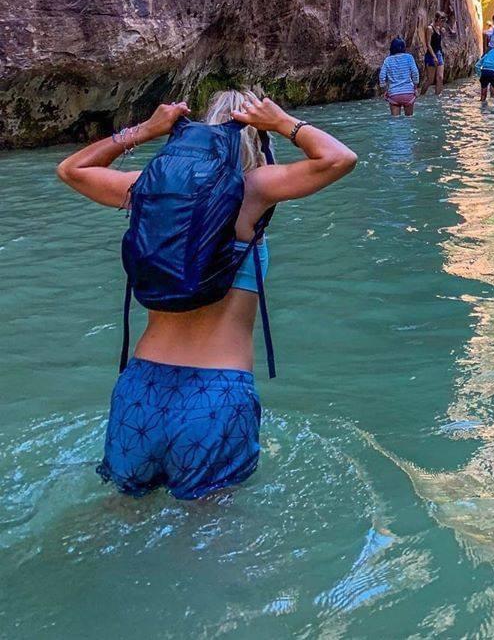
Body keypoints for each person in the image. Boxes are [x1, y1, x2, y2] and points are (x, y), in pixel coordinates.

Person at [56, 92, 356, 500]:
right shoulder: (255, 189)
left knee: (117, 518)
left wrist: (144, 131)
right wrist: (284, 122)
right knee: (209, 547)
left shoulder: (147, 187)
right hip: (214, 398)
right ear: (255, 136)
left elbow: (72, 169)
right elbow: (340, 159)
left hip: (140, 390)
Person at [379, 36, 420, 116]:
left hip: (394, 94)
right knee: (409, 120)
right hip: (408, 93)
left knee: (395, 123)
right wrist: (415, 88)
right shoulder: (409, 58)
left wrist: (386, 91)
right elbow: (415, 73)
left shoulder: (388, 60)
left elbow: (382, 77)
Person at [420, 14, 446, 96]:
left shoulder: (439, 29)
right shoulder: (430, 29)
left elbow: (439, 42)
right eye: (442, 21)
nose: (443, 23)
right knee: (430, 80)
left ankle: (437, 96)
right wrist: (434, 56)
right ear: (437, 19)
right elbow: (428, 44)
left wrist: (442, 33)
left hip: (439, 53)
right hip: (431, 55)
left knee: (440, 78)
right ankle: (421, 95)